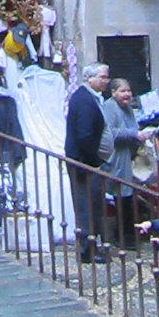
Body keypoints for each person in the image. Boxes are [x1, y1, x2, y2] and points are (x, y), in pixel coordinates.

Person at [65, 61, 112, 262]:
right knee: (86, 205)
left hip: (89, 161)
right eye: (102, 77)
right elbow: (85, 135)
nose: (106, 81)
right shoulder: (84, 100)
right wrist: (94, 160)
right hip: (84, 162)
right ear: (89, 78)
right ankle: (87, 250)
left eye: (107, 77)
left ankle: (93, 246)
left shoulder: (90, 98)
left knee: (94, 204)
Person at [102, 77, 156, 246]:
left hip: (128, 156)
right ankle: (123, 236)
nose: (127, 94)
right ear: (113, 92)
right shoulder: (110, 107)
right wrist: (134, 135)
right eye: (122, 91)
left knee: (129, 195)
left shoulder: (128, 109)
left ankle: (130, 232)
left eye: (128, 91)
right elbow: (110, 132)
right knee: (121, 195)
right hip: (117, 157)